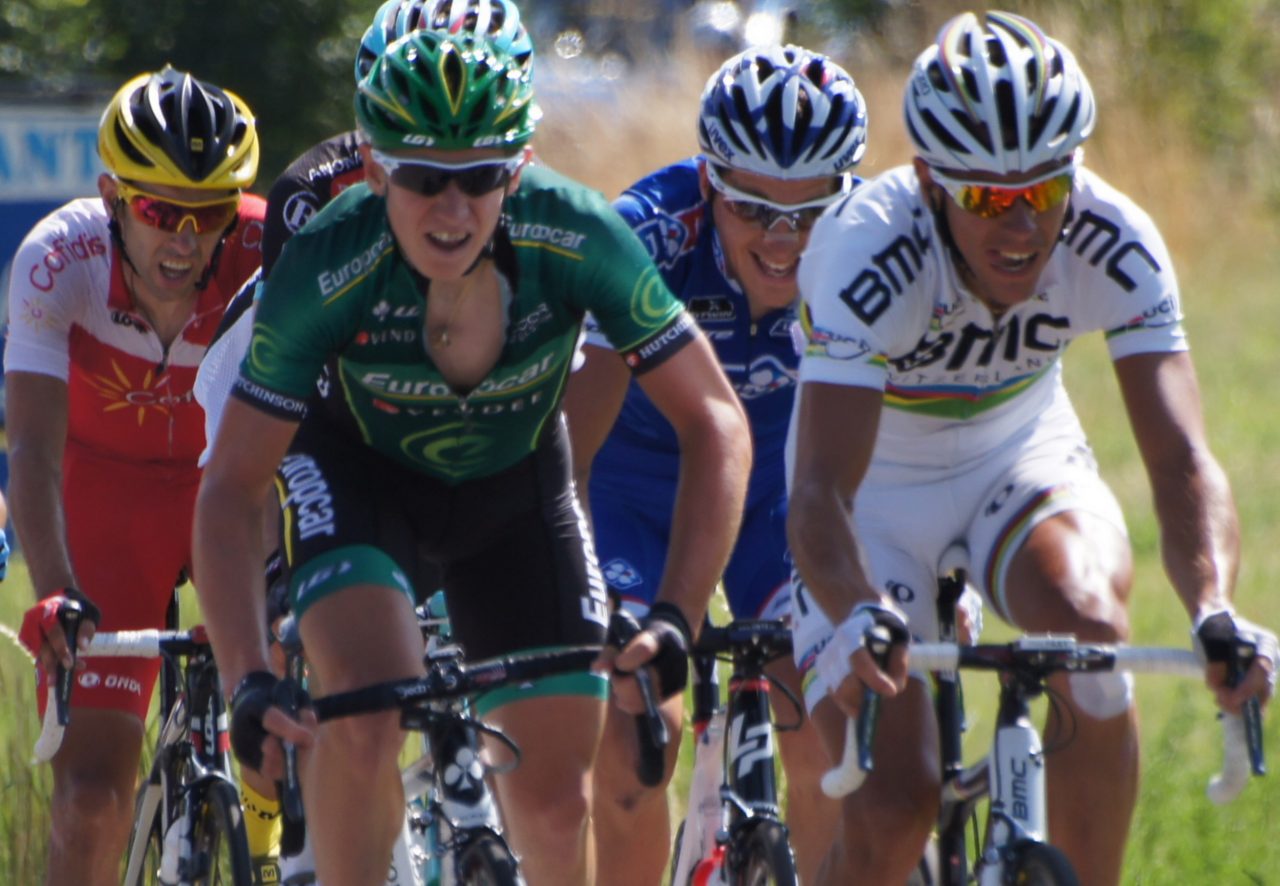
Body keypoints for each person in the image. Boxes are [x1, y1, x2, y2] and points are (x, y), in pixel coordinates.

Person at [192, 28, 751, 886]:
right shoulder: (326, 264)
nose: (453, 211)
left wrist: (676, 615)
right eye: (423, 178)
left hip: (517, 494)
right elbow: (231, 489)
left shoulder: (576, 235)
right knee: (369, 712)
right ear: (375, 170)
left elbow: (715, 419)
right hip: (361, 480)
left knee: (558, 806)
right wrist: (249, 680)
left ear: (519, 167)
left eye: (481, 177)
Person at [785, 10, 1278, 885]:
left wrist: (1211, 605)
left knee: (1089, 630)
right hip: (876, 495)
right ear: (932, 181)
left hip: (1017, 455)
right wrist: (858, 607)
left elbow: (1181, 457)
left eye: (1043, 191)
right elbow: (820, 489)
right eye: (985, 198)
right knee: (898, 802)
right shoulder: (865, 249)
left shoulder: (1113, 237)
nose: (1019, 226)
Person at [561, 43, 865, 885]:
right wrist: (590, 598)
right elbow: (572, 452)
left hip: (777, 486)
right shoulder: (647, 234)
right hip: (632, 484)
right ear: (708, 181)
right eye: (753, 207)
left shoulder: (875, 243)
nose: (783, 238)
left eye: (810, 213)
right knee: (633, 744)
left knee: (826, 733)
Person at [5, 66, 265, 886]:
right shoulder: (58, 258)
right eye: (159, 212)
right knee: (88, 800)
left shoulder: (267, 250)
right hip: (107, 496)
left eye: (210, 214)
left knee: (301, 745)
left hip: (229, 484)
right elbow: (36, 453)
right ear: (111, 195)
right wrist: (55, 593)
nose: (187, 242)